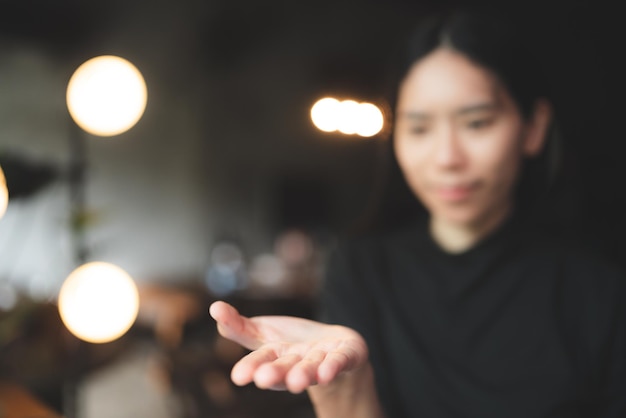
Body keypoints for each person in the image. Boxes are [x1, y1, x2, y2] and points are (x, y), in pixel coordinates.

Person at [209, 10, 626, 417]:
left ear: (533, 128)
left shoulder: (600, 290)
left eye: (477, 123)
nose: (446, 158)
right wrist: (342, 387)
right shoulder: (361, 270)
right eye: (419, 127)